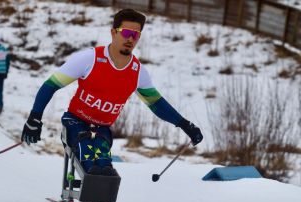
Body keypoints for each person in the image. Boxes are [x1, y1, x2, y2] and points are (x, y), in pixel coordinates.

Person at [21, 9, 203, 176]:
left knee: (104, 166)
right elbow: (51, 84)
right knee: (88, 160)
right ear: (114, 32)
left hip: (102, 129)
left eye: (136, 35)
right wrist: (34, 118)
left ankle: (101, 191)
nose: (130, 39)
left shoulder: (137, 72)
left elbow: (156, 104)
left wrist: (185, 125)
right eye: (126, 33)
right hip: (75, 122)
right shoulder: (89, 58)